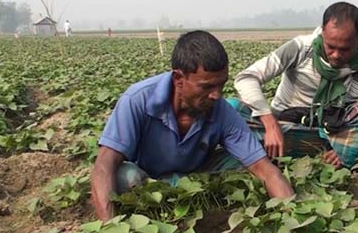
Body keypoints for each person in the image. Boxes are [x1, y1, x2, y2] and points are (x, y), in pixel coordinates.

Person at [91, 30, 294, 221]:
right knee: (124, 177)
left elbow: (265, 170)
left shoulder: (221, 110)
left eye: (221, 85)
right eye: (207, 87)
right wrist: (110, 229)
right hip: (147, 179)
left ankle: (190, 196)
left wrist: (293, 216)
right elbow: (104, 164)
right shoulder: (138, 99)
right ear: (179, 79)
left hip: (196, 176)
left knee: (250, 163)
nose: (216, 95)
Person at [232, 2, 358, 169]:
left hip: (329, 141)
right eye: (330, 47)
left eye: (344, 49)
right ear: (322, 31)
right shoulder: (300, 49)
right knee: (231, 108)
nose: (335, 55)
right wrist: (270, 124)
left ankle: (336, 163)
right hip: (282, 131)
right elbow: (246, 78)